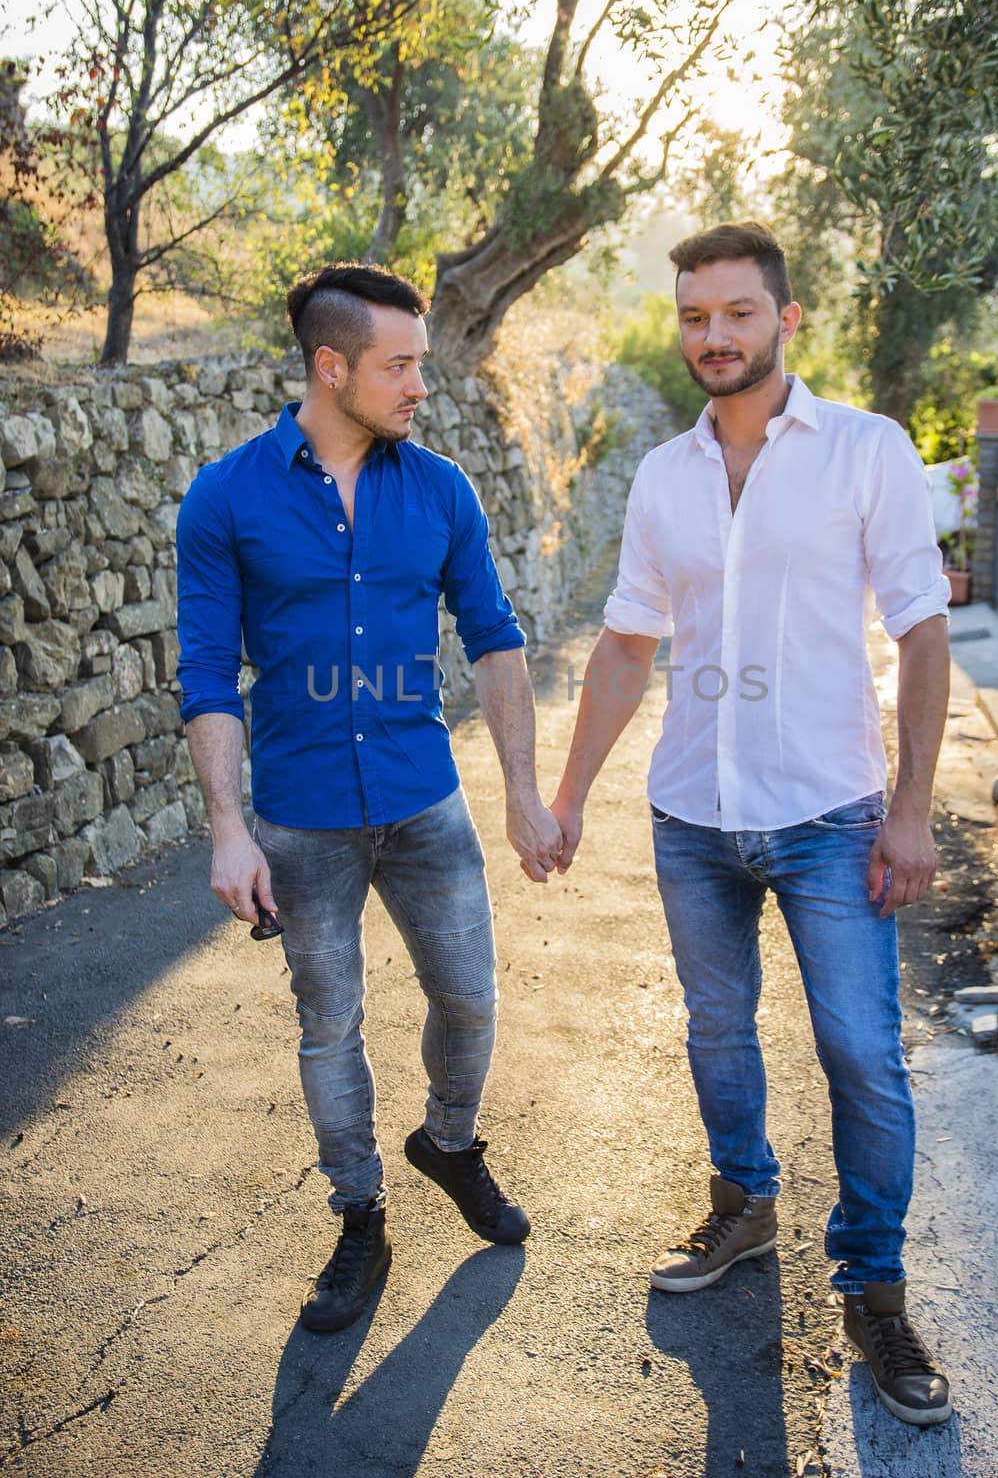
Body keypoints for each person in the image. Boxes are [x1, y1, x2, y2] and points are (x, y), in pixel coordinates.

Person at [549, 222, 954, 1426]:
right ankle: (744, 1203)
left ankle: (873, 1285)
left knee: (861, 1059)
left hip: (832, 816)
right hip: (691, 816)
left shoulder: (864, 451)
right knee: (716, 1031)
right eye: (692, 315)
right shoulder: (664, 474)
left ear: (784, 320)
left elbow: (922, 628)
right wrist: (568, 794)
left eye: (734, 312)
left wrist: (914, 810)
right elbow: (626, 647)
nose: (711, 335)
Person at [176, 262, 561, 1335]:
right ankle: (358, 1217)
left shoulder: (440, 488)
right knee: (327, 1027)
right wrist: (226, 830)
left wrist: (522, 794)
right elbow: (207, 674)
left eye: (420, 365)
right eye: (399, 367)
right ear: (329, 365)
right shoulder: (225, 497)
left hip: (423, 802)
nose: (417, 387)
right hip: (300, 820)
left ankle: (447, 1141)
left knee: (470, 999)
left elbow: (493, 638)